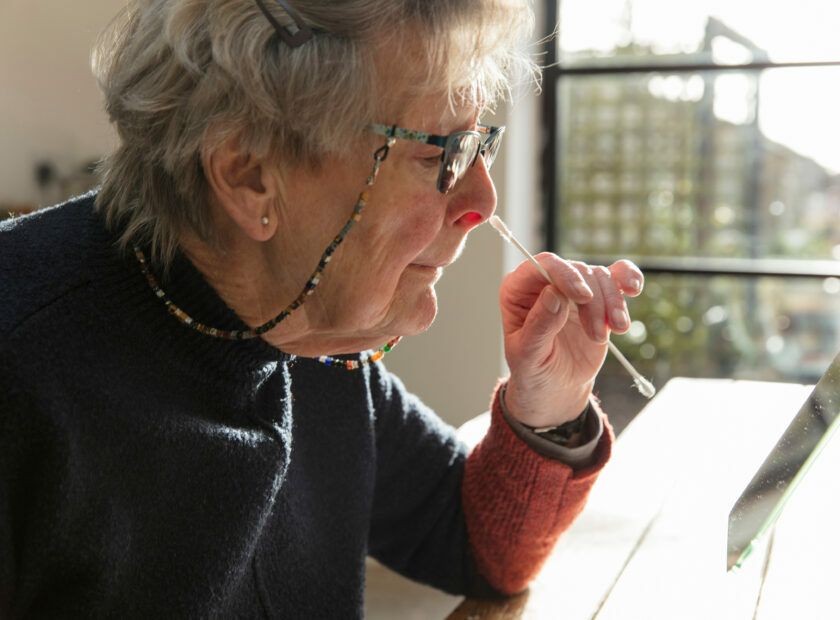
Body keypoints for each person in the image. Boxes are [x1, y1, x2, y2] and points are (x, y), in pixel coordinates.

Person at [0, 0, 643, 616]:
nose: (482, 201)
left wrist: (547, 405)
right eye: (438, 154)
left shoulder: (307, 330)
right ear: (250, 173)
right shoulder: (21, 366)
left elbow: (471, 544)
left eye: (479, 144)